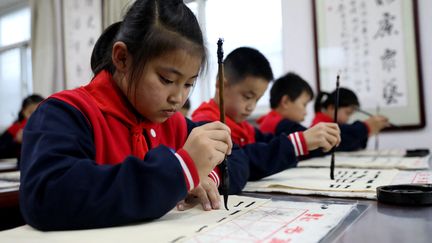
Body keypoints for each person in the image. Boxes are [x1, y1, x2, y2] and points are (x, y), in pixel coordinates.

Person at [20, 0, 254, 231]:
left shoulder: (175, 124)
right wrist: (180, 171)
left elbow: (236, 159)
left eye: (188, 84)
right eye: (167, 80)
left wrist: (206, 176)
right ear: (122, 58)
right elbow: (47, 195)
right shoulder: (67, 112)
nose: (178, 98)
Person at [192, 47, 340, 172]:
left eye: (257, 99)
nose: (251, 107)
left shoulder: (243, 126)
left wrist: (310, 142)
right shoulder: (206, 123)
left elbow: (267, 144)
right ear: (221, 86)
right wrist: (298, 142)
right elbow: (240, 159)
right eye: (247, 96)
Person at [312, 87, 389, 151]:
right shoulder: (319, 125)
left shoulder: (335, 125)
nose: (348, 118)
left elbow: (351, 144)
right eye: (347, 113)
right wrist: (366, 127)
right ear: (332, 108)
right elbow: (343, 139)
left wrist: (368, 132)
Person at [0, 94, 44, 160]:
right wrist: (16, 141)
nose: (35, 116)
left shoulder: (49, 129)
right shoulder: (15, 129)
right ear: (23, 111)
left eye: (39, 112)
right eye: (30, 112)